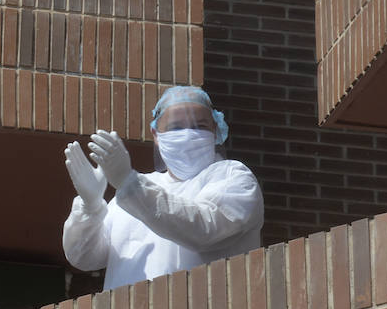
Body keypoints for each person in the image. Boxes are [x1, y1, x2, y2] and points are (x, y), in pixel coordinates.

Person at [62, 85, 264, 290]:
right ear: (156, 135)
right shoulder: (131, 195)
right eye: (176, 128)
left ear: (216, 129)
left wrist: (128, 184)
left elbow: (204, 230)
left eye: (200, 126)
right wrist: (91, 207)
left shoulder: (233, 178)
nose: (188, 135)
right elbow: (84, 258)